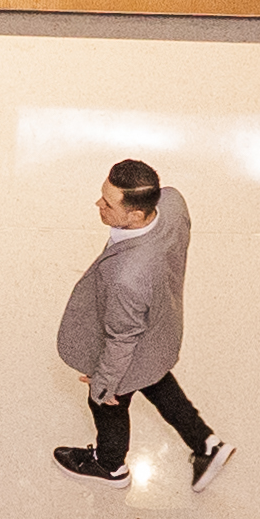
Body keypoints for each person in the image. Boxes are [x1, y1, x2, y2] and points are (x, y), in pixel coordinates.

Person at [47, 156, 223, 482]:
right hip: (160, 325)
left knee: (108, 403)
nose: (98, 204)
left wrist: (103, 383)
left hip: (131, 339)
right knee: (156, 379)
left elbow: (121, 339)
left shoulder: (126, 277)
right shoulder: (171, 201)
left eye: (109, 204)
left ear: (136, 214)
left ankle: (111, 465)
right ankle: (206, 443)